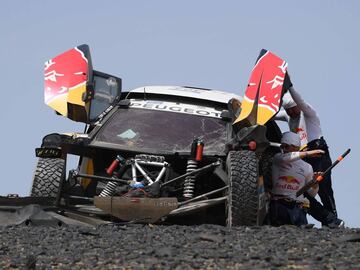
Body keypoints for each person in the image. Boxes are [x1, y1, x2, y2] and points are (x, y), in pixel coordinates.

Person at [276, 86, 344, 228]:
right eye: (288, 111)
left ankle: (333, 221)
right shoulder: (288, 114)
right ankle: (307, 219)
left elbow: (300, 102)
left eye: (293, 109)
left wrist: (289, 87)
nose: (292, 113)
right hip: (302, 156)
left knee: (324, 188)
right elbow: (271, 114)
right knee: (303, 190)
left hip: (318, 152)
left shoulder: (307, 112)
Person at [270, 131, 322, 227]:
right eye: (282, 147)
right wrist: (308, 153)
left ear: (296, 147)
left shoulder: (307, 167)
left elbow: (311, 193)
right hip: (278, 205)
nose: (283, 150)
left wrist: (315, 184)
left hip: (297, 208)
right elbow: (287, 157)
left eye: (286, 146)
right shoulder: (278, 159)